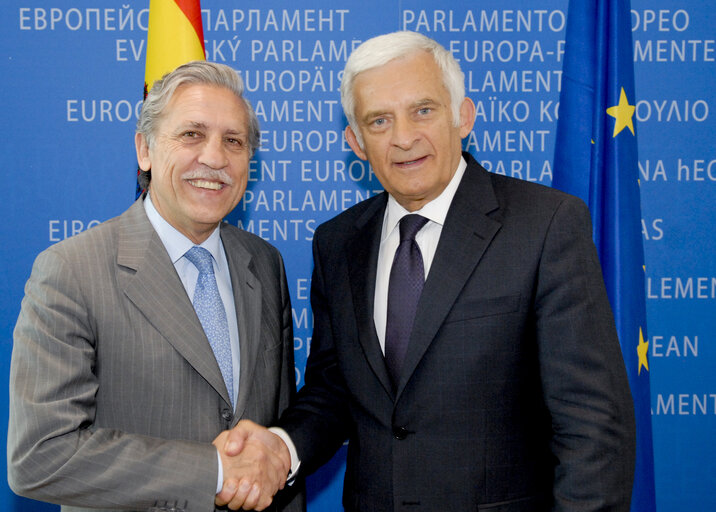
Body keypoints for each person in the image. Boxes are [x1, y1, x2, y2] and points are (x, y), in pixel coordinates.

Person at [217, 31, 636, 511]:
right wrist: (281, 448)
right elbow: (336, 387)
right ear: (355, 142)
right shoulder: (338, 242)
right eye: (379, 120)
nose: (403, 137)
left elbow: (593, 424)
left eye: (423, 110)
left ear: (463, 116)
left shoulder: (544, 225)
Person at [7, 61, 304, 512]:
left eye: (233, 141)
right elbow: (40, 456)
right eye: (191, 135)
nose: (214, 158)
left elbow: (270, 437)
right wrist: (215, 471)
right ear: (145, 150)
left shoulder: (264, 264)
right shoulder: (71, 271)